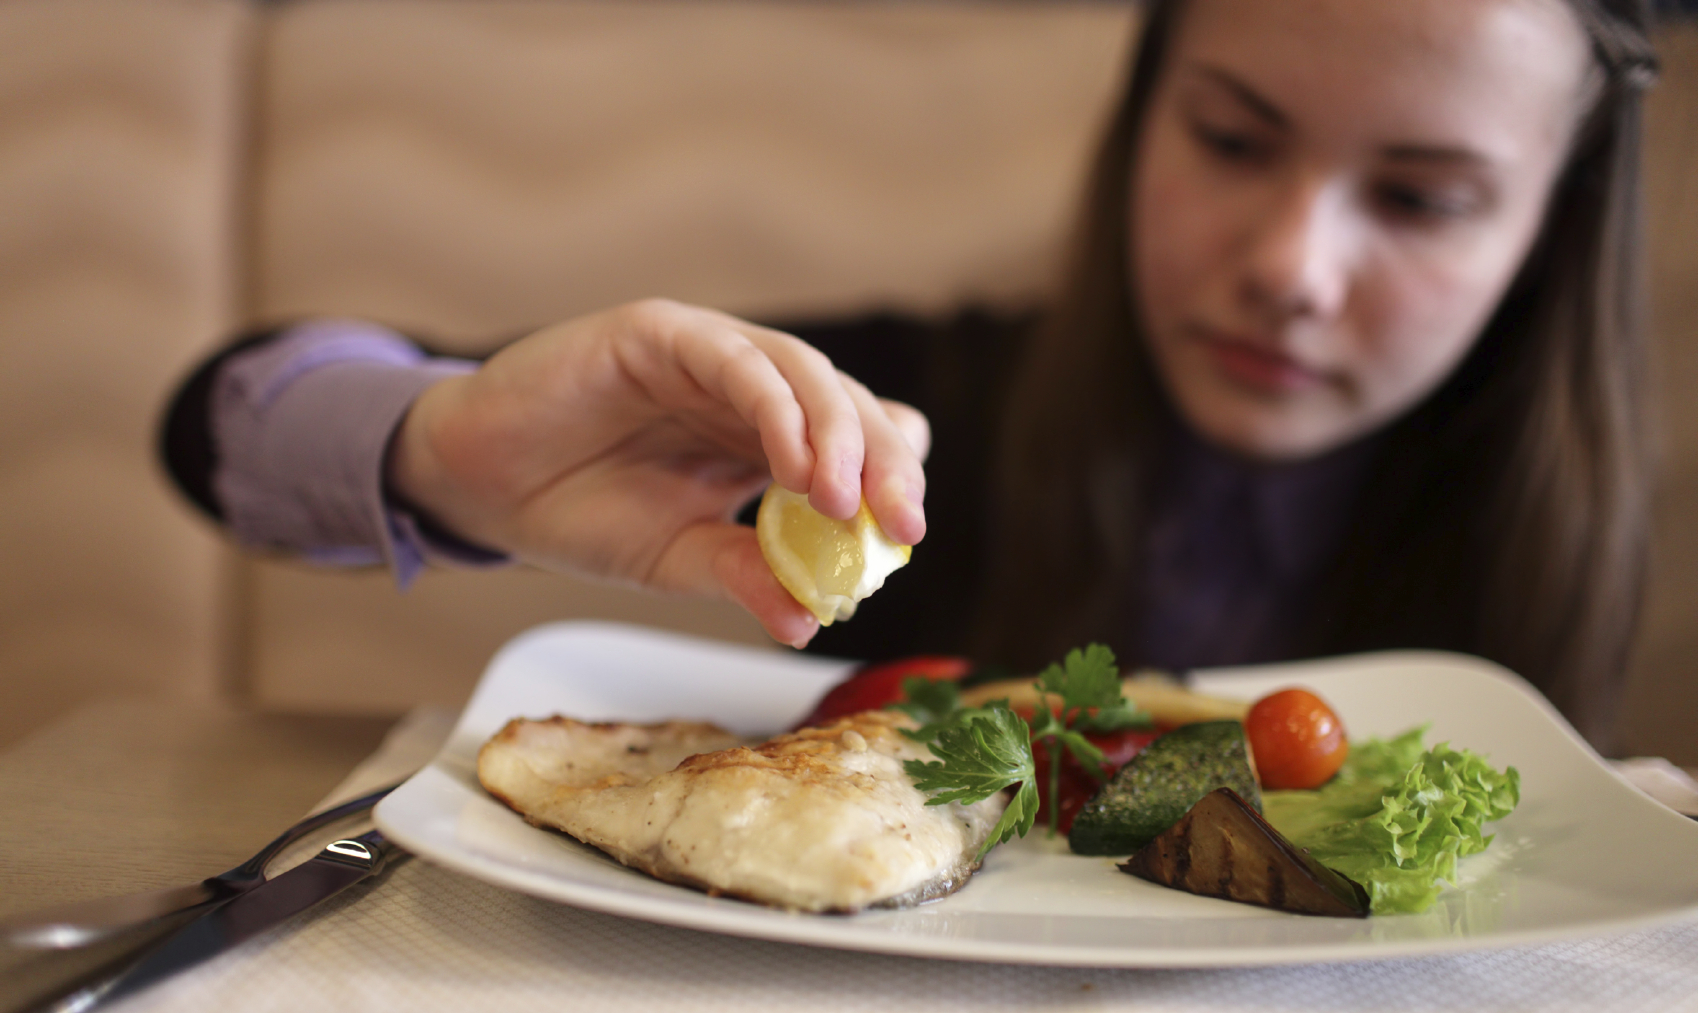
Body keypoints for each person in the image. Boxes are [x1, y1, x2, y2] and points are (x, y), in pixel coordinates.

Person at [161, 0, 1659, 747]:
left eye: (1418, 199)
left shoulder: (1602, 552)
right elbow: (215, 423)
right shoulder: (875, 412)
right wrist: (440, 446)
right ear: (1136, 117)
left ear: (1544, 234)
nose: (1290, 264)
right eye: (1230, 136)